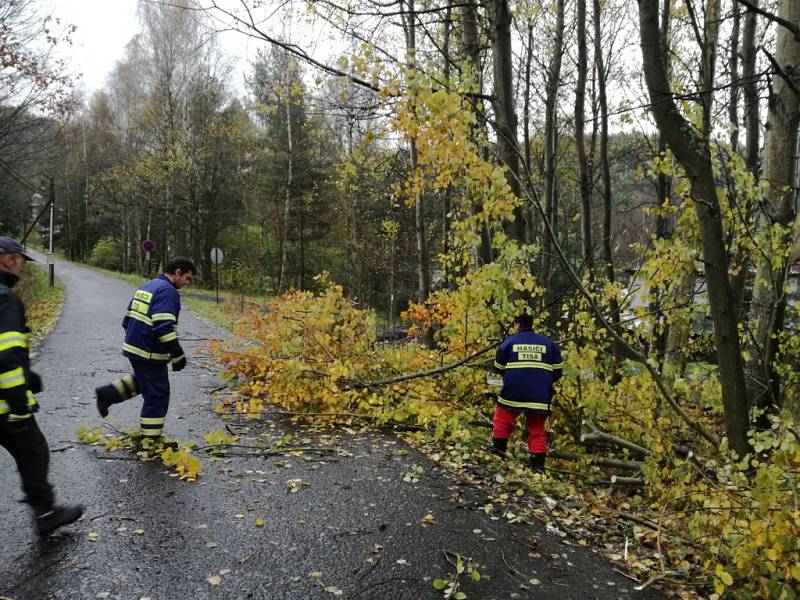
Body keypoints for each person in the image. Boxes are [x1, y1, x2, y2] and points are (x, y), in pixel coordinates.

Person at [0, 236, 84, 535]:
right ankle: (45, 511)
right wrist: (19, 405)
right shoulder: (6, 298)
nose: (22, 268)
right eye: (21, 260)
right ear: (7, 259)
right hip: (4, 404)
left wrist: (28, 375)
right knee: (34, 450)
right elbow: (7, 354)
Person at [95, 257, 195, 440]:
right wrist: (177, 353)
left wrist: (136, 339)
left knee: (145, 381)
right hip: (148, 351)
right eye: (188, 278)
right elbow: (163, 326)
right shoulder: (168, 291)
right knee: (157, 394)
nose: (188, 283)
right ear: (178, 272)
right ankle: (151, 441)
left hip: (135, 346)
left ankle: (107, 394)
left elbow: (127, 318)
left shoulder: (148, 286)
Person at [492, 313, 563, 471]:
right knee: (537, 429)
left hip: (513, 392)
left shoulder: (509, 342)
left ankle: (497, 456)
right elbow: (558, 371)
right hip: (539, 395)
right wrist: (541, 382)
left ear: (517, 325)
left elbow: (498, 367)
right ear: (532, 325)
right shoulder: (548, 344)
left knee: (502, 420)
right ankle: (538, 468)